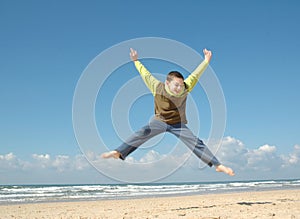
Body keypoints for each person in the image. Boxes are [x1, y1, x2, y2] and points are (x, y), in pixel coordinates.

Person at [101, 48, 235, 176]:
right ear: (167, 83)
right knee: (142, 133)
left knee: (195, 142)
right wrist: (136, 61)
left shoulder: (186, 88)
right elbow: (145, 74)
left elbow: (196, 74)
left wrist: (206, 60)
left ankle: (217, 165)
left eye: (181, 85)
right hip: (159, 121)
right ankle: (119, 152)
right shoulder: (157, 87)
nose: (179, 88)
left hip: (177, 123)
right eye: (176, 85)